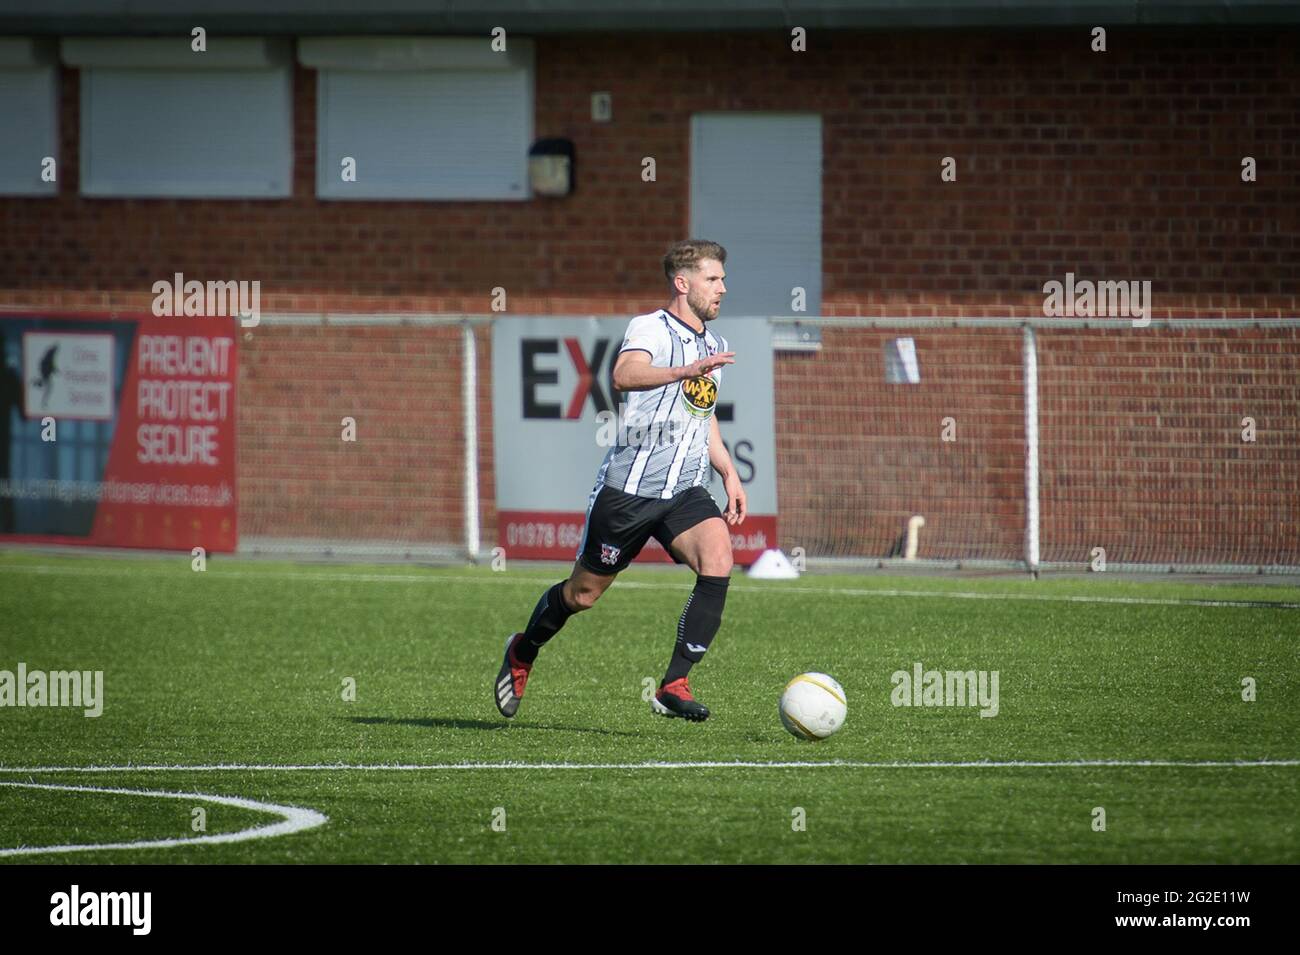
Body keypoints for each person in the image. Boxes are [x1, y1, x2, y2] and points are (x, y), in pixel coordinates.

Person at [494, 239, 746, 722]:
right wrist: (683, 370)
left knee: (719, 559)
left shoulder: (713, 345)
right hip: (629, 492)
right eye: (713, 280)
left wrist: (729, 473)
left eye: (722, 279)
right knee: (582, 595)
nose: (722, 289)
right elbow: (624, 374)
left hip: (685, 492)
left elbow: (703, 415)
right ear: (682, 283)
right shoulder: (650, 327)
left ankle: (674, 683)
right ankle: (523, 651)